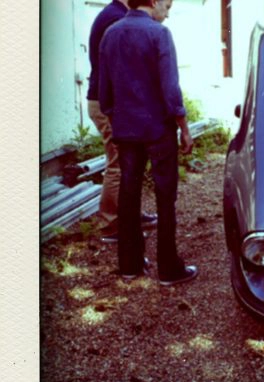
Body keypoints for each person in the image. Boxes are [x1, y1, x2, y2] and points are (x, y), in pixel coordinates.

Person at [98, 0, 198, 285]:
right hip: (158, 129)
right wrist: (184, 128)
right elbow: (170, 88)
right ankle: (168, 268)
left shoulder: (110, 33)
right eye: (166, 5)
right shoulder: (159, 33)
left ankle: (129, 264)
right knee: (165, 196)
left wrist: (117, 119)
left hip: (126, 129)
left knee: (129, 195)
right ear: (153, 1)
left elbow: (104, 93)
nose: (167, 12)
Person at [87, 0, 158, 244]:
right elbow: (121, 69)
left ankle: (130, 216)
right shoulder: (115, 18)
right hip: (107, 103)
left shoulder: (116, 13)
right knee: (118, 162)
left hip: (109, 101)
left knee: (126, 162)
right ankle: (111, 225)